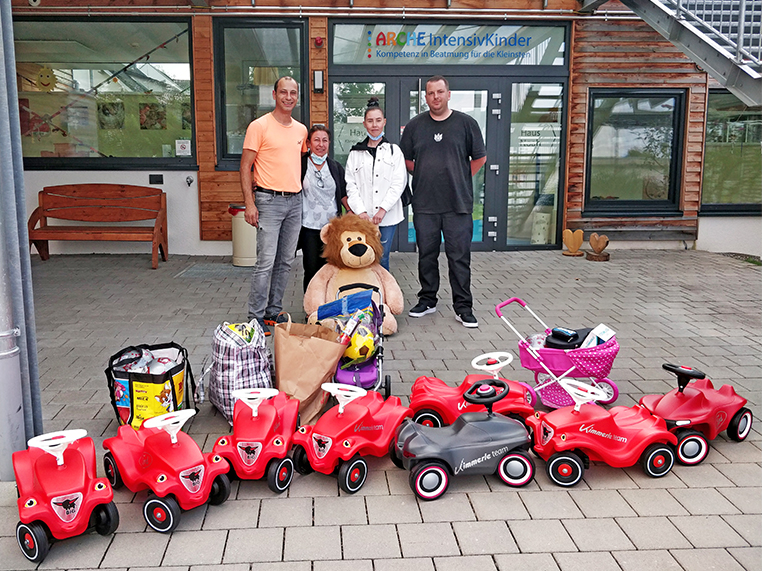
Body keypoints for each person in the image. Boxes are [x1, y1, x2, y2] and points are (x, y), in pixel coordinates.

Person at [399, 75, 487, 328]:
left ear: (449, 94)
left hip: (458, 204)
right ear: (425, 97)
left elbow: (479, 158)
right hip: (425, 204)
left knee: (459, 257)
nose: (435, 97)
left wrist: (458, 175)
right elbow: (404, 159)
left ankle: (463, 307)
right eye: (430, 93)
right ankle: (428, 299)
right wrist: (425, 171)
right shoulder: (415, 126)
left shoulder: (466, 124)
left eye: (439, 92)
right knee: (426, 255)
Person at [240, 76, 308, 333]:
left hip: (295, 201)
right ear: (274, 94)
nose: (288, 97)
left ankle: (272, 312)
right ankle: (254, 317)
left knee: (286, 261)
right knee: (265, 262)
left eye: (293, 93)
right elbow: (245, 167)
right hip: (268, 201)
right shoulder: (259, 126)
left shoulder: (301, 130)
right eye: (283, 92)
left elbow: (299, 163)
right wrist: (250, 203)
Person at [345, 97, 407, 271]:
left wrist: (383, 209)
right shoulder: (355, 153)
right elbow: (351, 185)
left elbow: (398, 183)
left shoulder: (394, 151)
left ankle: (382, 295)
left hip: (387, 217)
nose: (374, 125)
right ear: (364, 124)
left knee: (382, 256)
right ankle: (364, 294)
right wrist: (361, 211)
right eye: (370, 121)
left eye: (378, 120)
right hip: (362, 217)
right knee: (362, 257)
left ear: (384, 122)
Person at [299, 124, 348, 292]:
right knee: (312, 270)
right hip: (309, 228)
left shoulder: (335, 167)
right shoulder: (301, 165)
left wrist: (353, 215)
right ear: (309, 143)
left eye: (325, 140)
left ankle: (329, 307)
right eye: (317, 140)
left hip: (331, 229)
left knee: (331, 270)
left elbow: (342, 195)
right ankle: (310, 308)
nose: (321, 144)